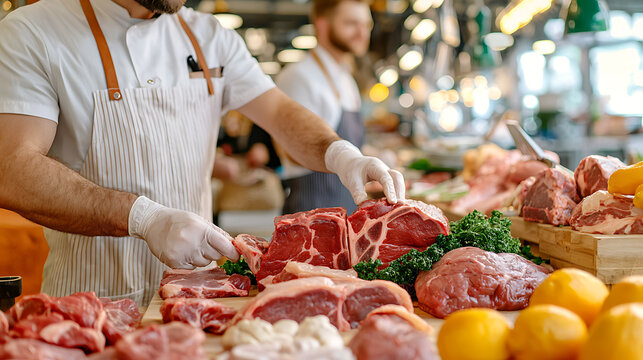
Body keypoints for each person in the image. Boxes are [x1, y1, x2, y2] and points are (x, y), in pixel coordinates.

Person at [0, 0, 405, 305]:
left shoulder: (210, 35)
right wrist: (143, 218)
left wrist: (339, 153)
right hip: (90, 305)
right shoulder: (34, 31)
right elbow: (12, 168)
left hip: (198, 300)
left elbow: (279, 111)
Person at [276, 0, 372, 214]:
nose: (362, 33)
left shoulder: (348, 79)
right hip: (311, 212)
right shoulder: (298, 77)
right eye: (351, 23)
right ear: (322, 25)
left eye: (366, 25)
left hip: (347, 209)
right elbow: (292, 150)